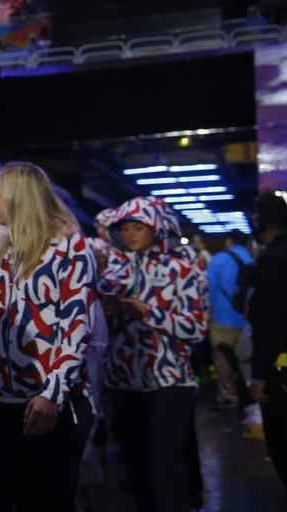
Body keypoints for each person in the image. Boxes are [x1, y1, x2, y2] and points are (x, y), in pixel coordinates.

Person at [0, 162, 95, 512]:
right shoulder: (4, 252)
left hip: (46, 402)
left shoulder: (70, 249)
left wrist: (52, 394)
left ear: (17, 197)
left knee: (43, 501)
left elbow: (76, 328)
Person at [95, 197, 208, 512]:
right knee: (132, 470)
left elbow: (196, 328)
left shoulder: (184, 271)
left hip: (169, 382)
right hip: (122, 383)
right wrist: (111, 311)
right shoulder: (115, 272)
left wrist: (147, 313)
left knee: (165, 469)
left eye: (138, 227)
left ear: (157, 229)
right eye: (125, 228)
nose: (130, 235)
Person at [248, 191, 287, 503]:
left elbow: (268, 323)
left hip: (283, 362)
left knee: (285, 434)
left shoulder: (270, 261)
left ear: (261, 222)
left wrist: (260, 376)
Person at [207, 236, 254, 412]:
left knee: (222, 360)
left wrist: (208, 312)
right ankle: (250, 395)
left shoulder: (218, 259)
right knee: (245, 360)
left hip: (221, 317)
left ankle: (228, 395)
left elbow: (208, 287)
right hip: (246, 319)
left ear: (229, 241)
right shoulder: (250, 260)